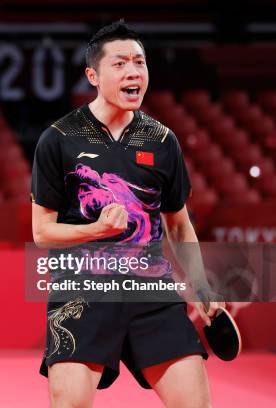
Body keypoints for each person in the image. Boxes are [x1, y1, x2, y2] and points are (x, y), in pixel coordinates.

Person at [31, 21, 223, 407]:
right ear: (93, 76)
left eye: (140, 62)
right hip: (82, 293)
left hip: (151, 293)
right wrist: (96, 230)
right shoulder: (59, 138)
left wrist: (200, 285)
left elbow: (177, 222)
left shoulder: (163, 140)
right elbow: (42, 232)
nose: (134, 72)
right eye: (120, 64)